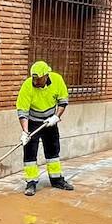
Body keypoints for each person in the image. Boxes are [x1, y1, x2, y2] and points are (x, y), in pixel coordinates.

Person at [16, 60, 72, 197]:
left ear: (46, 76)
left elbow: (63, 101)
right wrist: (25, 132)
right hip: (33, 121)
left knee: (53, 150)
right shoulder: (27, 86)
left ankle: (56, 179)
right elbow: (22, 111)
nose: (35, 82)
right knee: (30, 152)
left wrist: (56, 117)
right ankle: (31, 182)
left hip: (49, 122)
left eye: (38, 79)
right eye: (34, 78)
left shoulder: (57, 80)